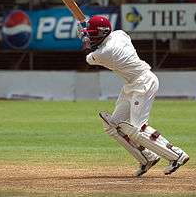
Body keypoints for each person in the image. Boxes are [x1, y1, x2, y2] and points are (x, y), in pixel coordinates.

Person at [77, 16, 189, 177]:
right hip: (131, 85)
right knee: (112, 125)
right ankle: (146, 158)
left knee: (137, 128)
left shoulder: (105, 53)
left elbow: (89, 55)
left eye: (92, 35)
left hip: (143, 83)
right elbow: (98, 39)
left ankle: (176, 155)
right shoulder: (119, 34)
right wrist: (90, 29)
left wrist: (85, 38)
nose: (89, 37)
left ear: (102, 34)